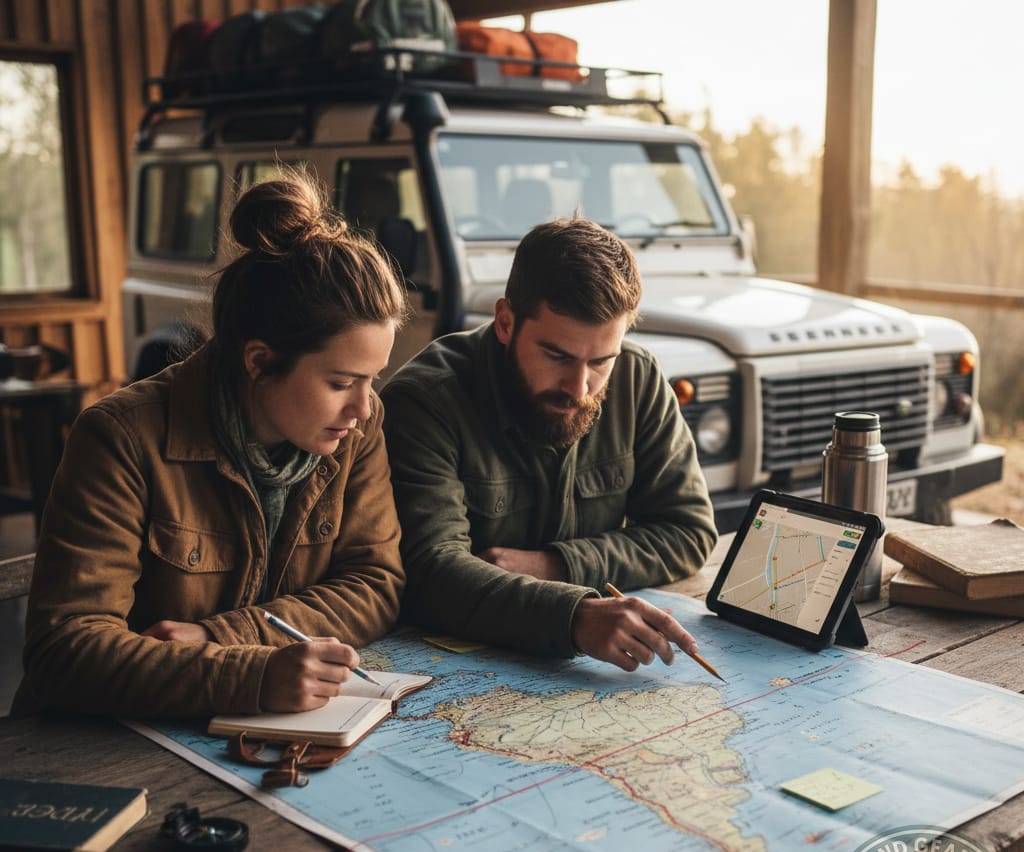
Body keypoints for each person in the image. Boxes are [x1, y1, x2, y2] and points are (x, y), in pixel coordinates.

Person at [14, 171, 408, 719]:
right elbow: (65, 649)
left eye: (374, 379)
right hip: (105, 745)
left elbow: (376, 582)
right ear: (259, 362)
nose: (363, 408)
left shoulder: (356, 429)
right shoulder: (120, 438)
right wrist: (248, 676)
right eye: (342, 383)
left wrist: (221, 637)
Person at [381, 217, 718, 671]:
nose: (579, 388)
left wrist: (558, 565)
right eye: (557, 356)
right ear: (505, 322)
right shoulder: (425, 401)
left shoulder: (637, 377)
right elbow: (429, 569)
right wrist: (574, 616)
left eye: (601, 360)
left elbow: (688, 532)